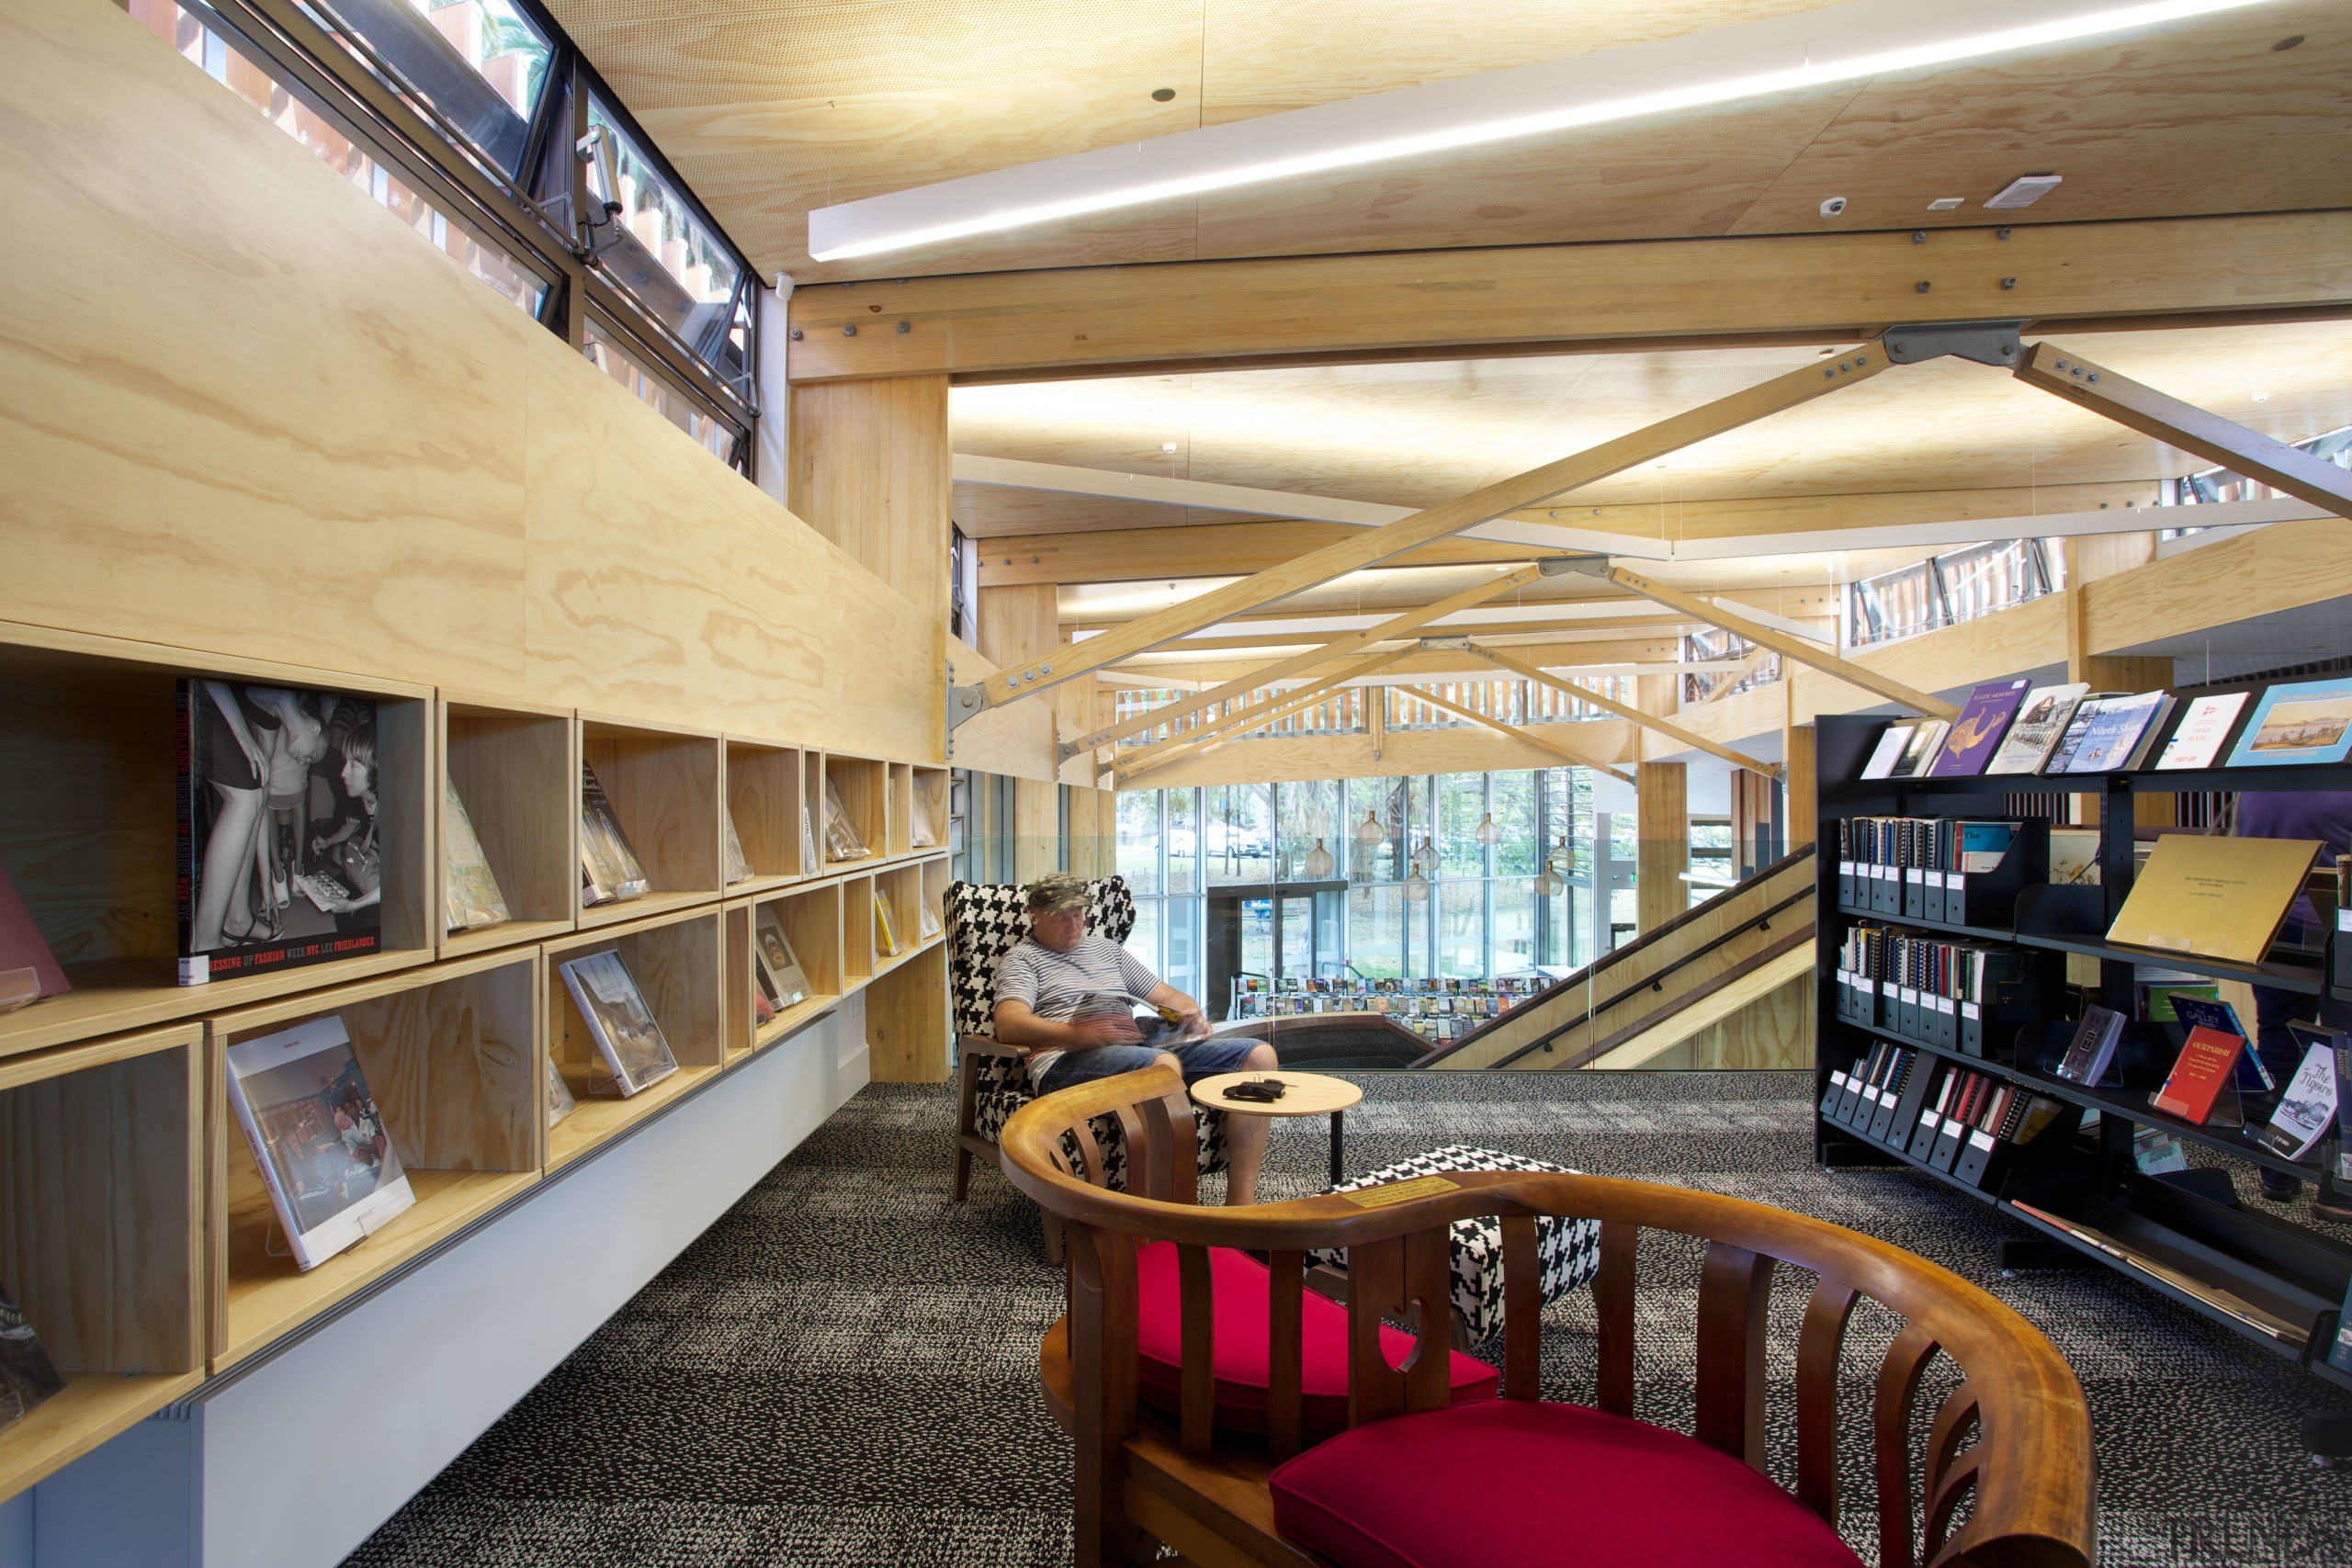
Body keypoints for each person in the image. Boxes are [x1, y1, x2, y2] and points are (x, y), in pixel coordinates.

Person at [992, 873, 1279, 1204]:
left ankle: (1240, 1207)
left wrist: (1188, 1012)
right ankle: (1162, 1207)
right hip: (1065, 1060)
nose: (1073, 926)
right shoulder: (1022, 959)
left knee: (1259, 1058)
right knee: (1160, 1067)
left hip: (1135, 1049)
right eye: (1060, 917)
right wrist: (1076, 1034)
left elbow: (1163, 993)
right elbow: (1009, 1024)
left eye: (1078, 915)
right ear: (1034, 914)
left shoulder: (1106, 950)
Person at [2233, 791, 2352, 1223]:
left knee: (2279, 1041)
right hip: (2338, 931)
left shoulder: (2258, 786)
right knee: (2344, 1055)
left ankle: (2276, 1170)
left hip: (2273, 925)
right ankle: (2338, 1189)